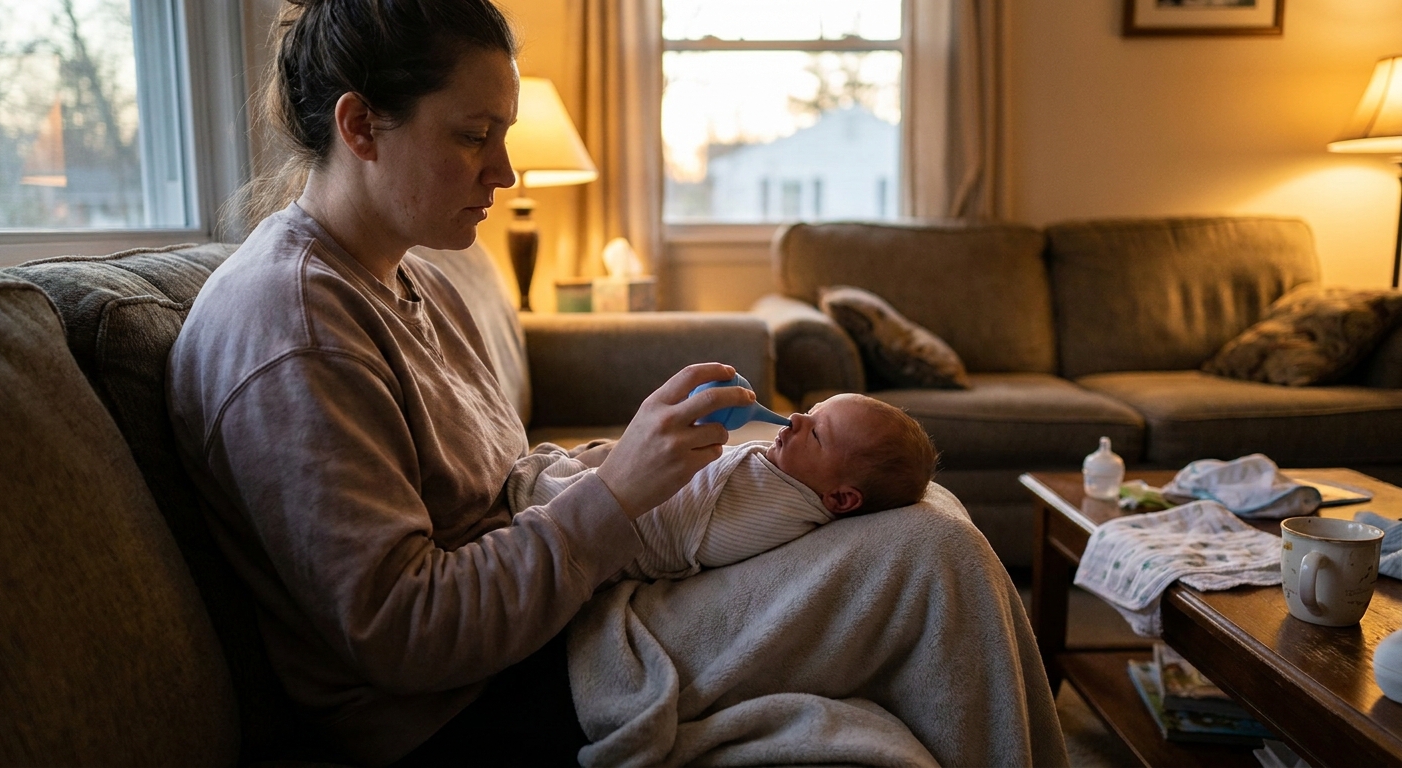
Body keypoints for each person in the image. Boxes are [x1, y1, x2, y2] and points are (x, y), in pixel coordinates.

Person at [168, 1, 1068, 766]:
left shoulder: (400, 275)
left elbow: (502, 488)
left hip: (566, 626)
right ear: (360, 126)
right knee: (932, 560)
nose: (504, 171)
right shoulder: (295, 333)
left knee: (923, 512)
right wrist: (618, 494)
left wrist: (635, 459)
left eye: (504, 135)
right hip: (478, 706)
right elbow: (405, 632)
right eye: (473, 136)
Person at [508, 394, 939, 581]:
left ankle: (542, 485)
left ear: (841, 499)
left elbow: (687, 536)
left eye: (816, 434)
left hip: (610, 539)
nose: (795, 420)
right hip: (604, 494)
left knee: (549, 488)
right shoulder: (790, 472)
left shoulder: (778, 512)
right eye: (809, 412)